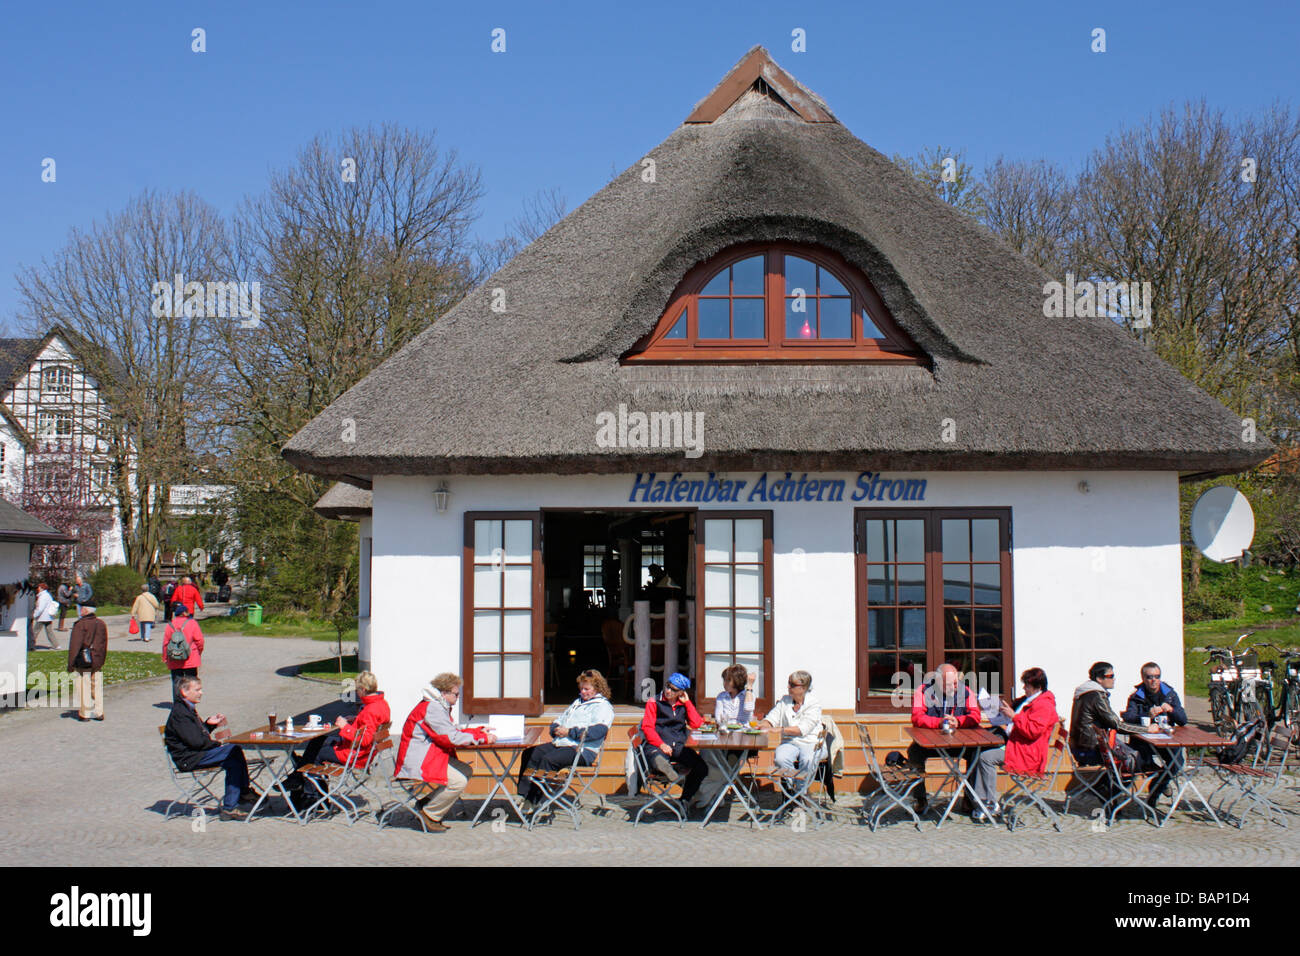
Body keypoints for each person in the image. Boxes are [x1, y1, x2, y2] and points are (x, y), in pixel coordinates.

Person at [394, 673, 496, 832]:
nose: (458, 697)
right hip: (418, 760)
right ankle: (429, 814)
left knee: (465, 770)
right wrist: (482, 738)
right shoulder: (433, 708)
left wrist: (477, 732)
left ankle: (426, 803)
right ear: (444, 693)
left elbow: (451, 731)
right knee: (458, 781)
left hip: (427, 755)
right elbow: (450, 737)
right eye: (456, 694)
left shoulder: (436, 705)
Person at [285, 671, 391, 805]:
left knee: (315, 755)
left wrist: (345, 726)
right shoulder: (381, 704)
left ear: (363, 689)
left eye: (357, 689)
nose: (356, 693)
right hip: (360, 751)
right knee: (318, 741)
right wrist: (356, 720)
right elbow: (369, 728)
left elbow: (365, 740)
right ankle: (298, 779)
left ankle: (311, 795)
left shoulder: (370, 710)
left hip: (354, 755)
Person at [970, 667, 1058, 822]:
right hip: (1018, 744)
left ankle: (989, 802)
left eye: (1027, 685)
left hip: (1028, 753)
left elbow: (1032, 731)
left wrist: (1014, 716)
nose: (1024, 688)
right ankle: (979, 801)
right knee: (978, 751)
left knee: (986, 757)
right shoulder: (1032, 700)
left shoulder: (1044, 705)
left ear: (1037, 687)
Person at [518, 669, 614, 809]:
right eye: (581, 689)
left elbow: (597, 732)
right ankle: (523, 795)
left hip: (582, 750)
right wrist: (555, 728)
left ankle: (537, 799)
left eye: (587, 689)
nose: (583, 692)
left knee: (549, 760)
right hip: (561, 743)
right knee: (530, 753)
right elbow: (559, 719)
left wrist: (570, 732)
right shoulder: (577, 703)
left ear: (597, 688)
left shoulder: (603, 707)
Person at [164, 676, 257, 820]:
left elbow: (195, 736)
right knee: (233, 750)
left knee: (233, 759)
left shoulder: (187, 709)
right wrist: (218, 745)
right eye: (197, 690)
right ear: (184, 692)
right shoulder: (180, 713)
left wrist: (209, 725)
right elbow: (196, 742)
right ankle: (241, 795)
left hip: (196, 753)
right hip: (189, 758)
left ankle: (233, 804)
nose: (201, 692)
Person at [908, 662, 983, 812]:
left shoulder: (966, 691)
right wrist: (939, 722)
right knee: (914, 751)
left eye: (956, 682)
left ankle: (969, 798)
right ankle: (920, 798)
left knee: (976, 753)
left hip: (960, 744)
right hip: (931, 743)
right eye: (951, 683)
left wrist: (959, 721)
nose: (955, 686)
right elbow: (917, 717)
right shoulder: (923, 691)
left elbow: (976, 715)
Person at [1122, 661, 1187, 808]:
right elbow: (1128, 718)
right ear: (1143, 678)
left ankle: (1156, 789)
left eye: (1157, 676)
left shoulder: (1169, 694)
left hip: (1166, 740)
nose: (1154, 680)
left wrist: (1171, 710)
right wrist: (1146, 715)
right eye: (1150, 677)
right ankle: (1120, 799)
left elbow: (1183, 720)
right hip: (1143, 742)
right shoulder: (1137, 696)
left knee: (1177, 762)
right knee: (1141, 762)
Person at [639, 672, 707, 804]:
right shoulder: (654, 701)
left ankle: (685, 799)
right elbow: (647, 727)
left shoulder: (683, 704)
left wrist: (687, 703)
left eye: (674, 689)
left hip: (678, 745)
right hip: (657, 743)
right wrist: (661, 744)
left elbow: (696, 724)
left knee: (701, 767)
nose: (668, 691)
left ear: (681, 692)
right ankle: (665, 768)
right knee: (655, 755)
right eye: (667, 686)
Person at [1069, 661, 1145, 772]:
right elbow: (1117, 724)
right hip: (1091, 751)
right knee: (1135, 757)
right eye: (1111, 676)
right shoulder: (1096, 696)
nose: (1114, 679)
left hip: (1080, 747)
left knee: (1129, 750)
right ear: (1099, 679)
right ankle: (1116, 787)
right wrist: (1147, 729)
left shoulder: (1086, 693)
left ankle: (1107, 786)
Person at [759, 669, 825, 773]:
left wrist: (779, 730)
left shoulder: (814, 704)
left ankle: (801, 788)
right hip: (789, 742)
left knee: (808, 760)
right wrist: (763, 725)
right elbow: (772, 718)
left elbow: (802, 729)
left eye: (792, 684)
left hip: (810, 742)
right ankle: (790, 787)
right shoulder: (785, 701)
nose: (788, 687)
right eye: (789, 683)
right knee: (781, 759)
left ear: (803, 688)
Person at [67, 604, 108, 721]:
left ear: (85, 610)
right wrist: (101, 659)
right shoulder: (100, 623)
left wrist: (70, 664)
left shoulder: (80, 625)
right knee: (97, 686)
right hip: (97, 659)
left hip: (83, 661)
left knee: (83, 686)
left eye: (81, 608)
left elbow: (75, 646)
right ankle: (99, 712)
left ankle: (85, 713)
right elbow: (104, 643)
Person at [161, 603, 204, 703]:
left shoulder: (170, 625)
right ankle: (191, 702)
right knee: (192, 682)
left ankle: (178, 703)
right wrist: (199, 652)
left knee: (177, 682)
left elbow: (166, 643)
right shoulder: (192, 623)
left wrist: (165, 657)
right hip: (191, 657)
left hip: (174, 657)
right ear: (184, 613)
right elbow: (199, 641)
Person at [30, 581, 59, 650]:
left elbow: (40, 608)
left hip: (42, 617)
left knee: (35, 632)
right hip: (48, 617)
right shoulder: (48, 595)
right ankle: (56, 645)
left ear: (42, 588)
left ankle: (30, 645)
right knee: (49, 632)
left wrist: (34, 615)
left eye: (39, 587)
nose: (37, 589)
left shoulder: (42, 597)